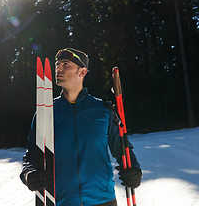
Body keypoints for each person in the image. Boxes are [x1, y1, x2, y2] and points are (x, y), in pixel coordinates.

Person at [20, 48, 142, 206]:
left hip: (102, 200)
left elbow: (122, 147)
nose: (58, 68)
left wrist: (134, 171)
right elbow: (31, 156)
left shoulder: (104, 110)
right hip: (61, 201)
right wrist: (28, 175)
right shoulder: (45, 113)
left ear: (82, 72)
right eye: (57, 65)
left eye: (66, 64)